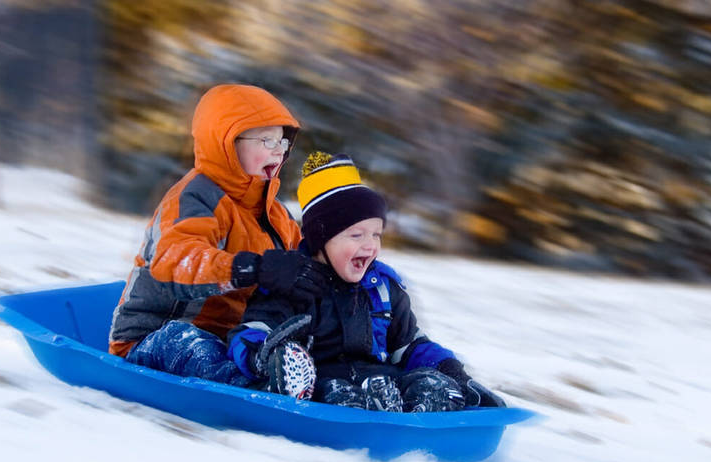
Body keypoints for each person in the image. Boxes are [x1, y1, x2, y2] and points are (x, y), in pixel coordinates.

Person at [227, 152, 505, 412]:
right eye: (357, 235)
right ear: (321, 239)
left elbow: (408, 345)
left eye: (376, 235)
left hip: (381, 381)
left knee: (426, 383)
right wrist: (266, 357)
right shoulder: (292, 284)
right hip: (317, 384)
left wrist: (452, 371)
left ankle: (431, 403)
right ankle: (361, 405)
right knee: (333, 391)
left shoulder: (383, 287)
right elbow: (251, 331)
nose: (370, 246)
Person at [109, 84, 328, 384]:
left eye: (282, 142)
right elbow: (176, 262)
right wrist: (252, 269)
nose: (279, 150)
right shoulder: (193, 198)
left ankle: (309, 381)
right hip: (155, 338)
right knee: (190, 345)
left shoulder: (276, 216)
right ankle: (257, 390)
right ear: (225, 143)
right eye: (266, 140)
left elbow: (305, 265)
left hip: (233, 344)